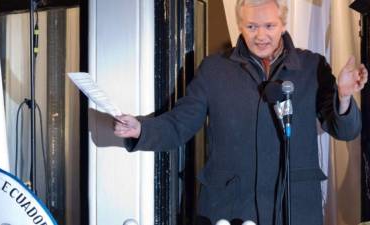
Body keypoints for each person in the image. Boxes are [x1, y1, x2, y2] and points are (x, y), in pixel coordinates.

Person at [114, 0, 368, 224]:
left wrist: (343, 96)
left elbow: (345, 131)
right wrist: (141, 128)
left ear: (283, 24)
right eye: (251, 27)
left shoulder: (312, 66)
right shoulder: (214, 70)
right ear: (240, 26)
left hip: (295, 208)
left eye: (269, 26)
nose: (260, 35)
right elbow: (180, 122)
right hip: (232, 207)